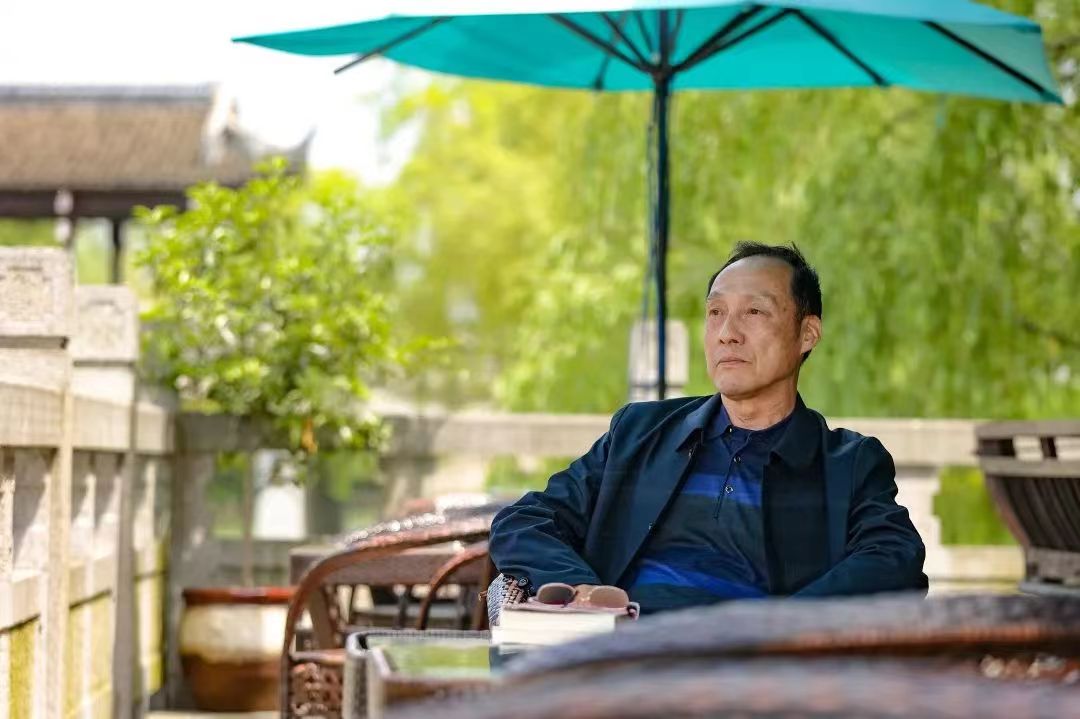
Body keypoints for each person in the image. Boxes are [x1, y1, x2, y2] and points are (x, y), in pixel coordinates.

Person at [488, 242, 927, 615]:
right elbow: (525, 521)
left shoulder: (845, 464)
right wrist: (583, 591)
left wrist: (782, 626)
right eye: (716, 312)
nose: (726, 333)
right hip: (621, 652)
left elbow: (895, 559)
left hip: (747, 667)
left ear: (807, 333)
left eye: (754, 311)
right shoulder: (640, 433)